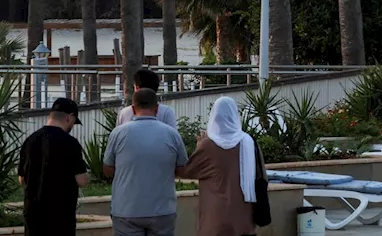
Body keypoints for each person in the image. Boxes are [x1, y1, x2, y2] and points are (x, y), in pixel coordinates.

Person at [104, 88, 189, 236]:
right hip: (162, 210)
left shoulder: (118, 133)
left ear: (132, 108)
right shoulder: (171, 134)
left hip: (126, 210)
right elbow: (183, 170)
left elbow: (107, 170)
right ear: (156, 108)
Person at [178, 97, 262, 236]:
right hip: (243, 215)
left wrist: (198, 147)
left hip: (215, 218)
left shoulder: (208, 145)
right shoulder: (249, 142)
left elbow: (187, 171)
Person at [20, 98, 88, 236]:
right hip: (60, 215)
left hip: (33, 214)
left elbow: (22, 179)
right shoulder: (71, 143)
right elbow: (82, 180)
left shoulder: (30, 140)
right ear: (69, 117)